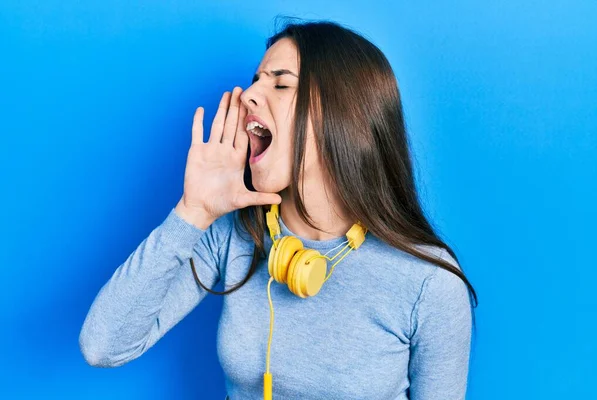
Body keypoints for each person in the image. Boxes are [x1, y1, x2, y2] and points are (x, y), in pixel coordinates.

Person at [79, 18, 478, 400]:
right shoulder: (234, 234)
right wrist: (193, 210)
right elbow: (104, 346)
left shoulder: (429, 283)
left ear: (345, 115)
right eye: (255, 80)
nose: (248, 95)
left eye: (281, 84)